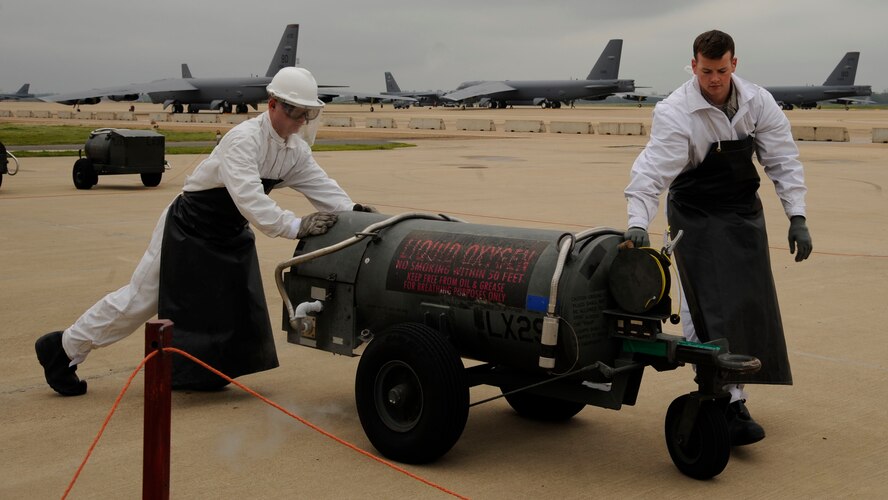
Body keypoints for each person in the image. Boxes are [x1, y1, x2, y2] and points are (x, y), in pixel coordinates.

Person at [36, 67, 376, 395]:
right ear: (273, 104)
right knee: (140, 301)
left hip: (227, 234)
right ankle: (63, 348)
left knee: (232, 305)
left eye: (307, 114)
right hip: (189, 226)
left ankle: (205, 373)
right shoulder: (243, 140)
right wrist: (295, 225)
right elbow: (250, 200)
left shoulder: (294, 151)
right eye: (296, 112)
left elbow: (324, 189)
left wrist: (357, 216)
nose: (301, 121)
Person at [623, 30, 812, 446]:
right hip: (695, 214)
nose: (713, 79)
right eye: (706, 71)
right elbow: (652, 172)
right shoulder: (676, 112)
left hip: (742, 212)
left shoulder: (758, 102)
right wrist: (639, 220)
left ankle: (738, 390)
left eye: (721, 70)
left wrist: (797, 216)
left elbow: (782, 158)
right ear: (693, 66)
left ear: (734, 64)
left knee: (749, 300)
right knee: (704, 303)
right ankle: (724, 396)